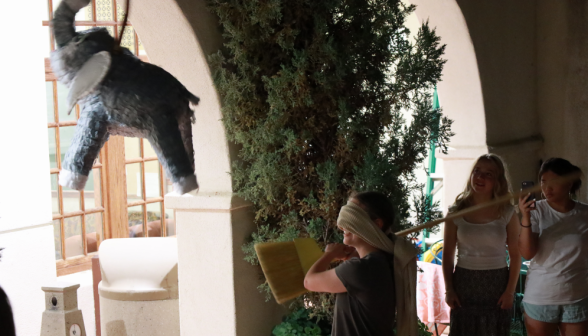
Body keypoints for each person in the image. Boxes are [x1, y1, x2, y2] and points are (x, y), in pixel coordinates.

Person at [304, 191, 419, 336]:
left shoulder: (361, 269)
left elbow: (309, 282)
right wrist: (348, 257)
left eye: (352, 216)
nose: (342, 224)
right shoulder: (387, 260)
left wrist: (330, 254)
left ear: (376, 224)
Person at [442, 154, 522, 336]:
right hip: (464, 285)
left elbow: (516, 255)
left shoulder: (507, 213)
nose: (480, 177)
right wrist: (449, 289)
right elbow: (447, 255)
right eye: (477, 171)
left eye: (488, 174)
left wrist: (510, 292)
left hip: (496, 285)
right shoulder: (455, 212)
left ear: (498, 181)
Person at [519, 158, 588, 336]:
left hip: (577, 296)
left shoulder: (584, 213)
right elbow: (527, 253)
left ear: (569, 183)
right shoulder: (537, 211)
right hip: (541, 296)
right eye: (543, 182)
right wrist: (525, 217)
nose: (547, 189)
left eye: (554, 182)